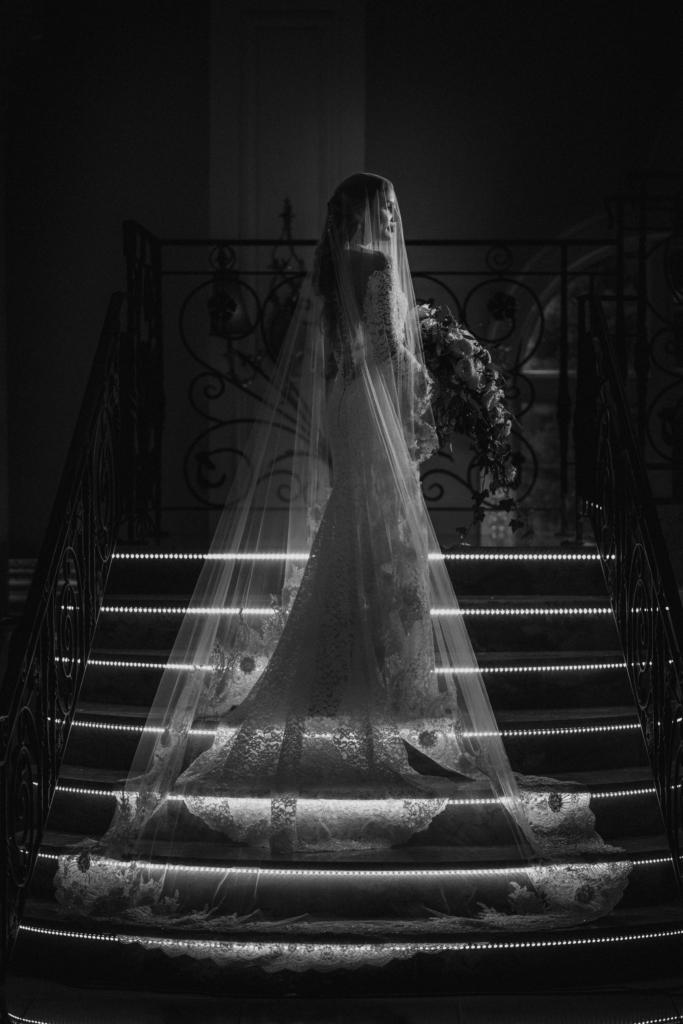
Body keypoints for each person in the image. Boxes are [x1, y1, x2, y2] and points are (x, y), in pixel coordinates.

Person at [55, 174, 630, 936]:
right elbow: (390, 348)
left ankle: (328, 680)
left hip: (344, 404)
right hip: (374, 401)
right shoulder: (375, 263)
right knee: (380, 541)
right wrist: (420, 389)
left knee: (351, 537)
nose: (394, 219)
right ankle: (363, 686)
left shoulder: (327, 266)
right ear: (373, 215)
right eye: (387, 209)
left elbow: (332, 354)